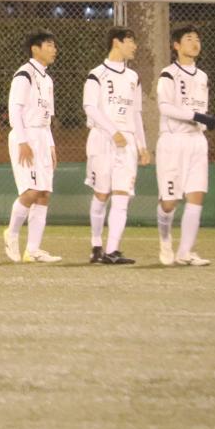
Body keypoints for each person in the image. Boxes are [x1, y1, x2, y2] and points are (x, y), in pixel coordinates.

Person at [83, 26, 151, 265]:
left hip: (127, 142)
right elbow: (90, 107)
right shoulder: (96, 74)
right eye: (130, 41)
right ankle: (96, 246)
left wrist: (142, 146)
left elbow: (136, 113)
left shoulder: (134, 78)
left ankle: (112, 250)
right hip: (102, 139)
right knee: (101, 194)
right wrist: (113, 131)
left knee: (122, 195)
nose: (134, 46)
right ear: (116, 42)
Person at [156, 25, 215, 267]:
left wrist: (204, 121)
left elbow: (201, 108)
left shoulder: (202, 77)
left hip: (197, 142)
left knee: (196, 196)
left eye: (197, 39)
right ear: (176, 45)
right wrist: (197, 116)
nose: (195, 43)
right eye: (189, 38)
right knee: (169, 202)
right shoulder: (168, 74)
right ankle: (165, 241)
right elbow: (165, 107)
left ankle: (185, 252)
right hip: (173, 142)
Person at [3, 31, 63, 264]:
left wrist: (51, 145)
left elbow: (47, 118)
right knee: (31, 191)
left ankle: (33, 250)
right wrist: (22, 141)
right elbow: (14, 109)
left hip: (41, 136)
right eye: (49, 45)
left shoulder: (47, 80)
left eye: (54, 45)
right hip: (26, 134)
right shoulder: (24, 74)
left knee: (44, 193)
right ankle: (11, 234)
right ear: (35, 49)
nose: (54, 49)